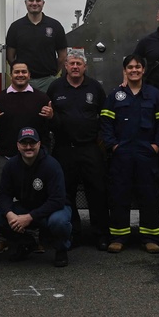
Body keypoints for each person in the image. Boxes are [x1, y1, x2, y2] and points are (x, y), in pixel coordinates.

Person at [100, 54, 159, 254]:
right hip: (122, 155)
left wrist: (156, 146)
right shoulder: (115, 95)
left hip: (146, 154)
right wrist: (113, 146)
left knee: (149, 195)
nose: (134, 70)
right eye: (130, 67)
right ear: (124, 71)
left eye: (137, 67)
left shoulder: (154, 95)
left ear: (143, 70)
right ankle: (119, 236)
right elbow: (106, 123)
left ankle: (149, 237)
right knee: (119, 195)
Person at [46, 49, 109, 251]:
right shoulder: (55, 87)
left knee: (97, 193)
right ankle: (73, 233)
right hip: (64, 149)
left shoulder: (95, 88)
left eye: (78, 64)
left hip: (90, 148)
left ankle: (100, 235)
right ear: (65, 66)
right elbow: (50, 117)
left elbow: (105, 117)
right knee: (66, 194)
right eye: (71, 63)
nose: (75, 67)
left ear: (85, 67)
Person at [0, 60, 51, 253]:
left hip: (35, 161)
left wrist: (51, 117)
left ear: (29, 75)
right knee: (3, 198)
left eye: (24, 72)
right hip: (6, 157)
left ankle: (37, 238)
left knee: (37, 199)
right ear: (11, 75)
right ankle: (3, 238)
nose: (20, 75)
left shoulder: (41, 98)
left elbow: (48, 130)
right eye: (16, 72)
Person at [0, 128, 72, 267]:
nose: (28, 147)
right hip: (26, 207)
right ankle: (26, 243)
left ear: (39, 144)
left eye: (32, 143)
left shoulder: (51, 165)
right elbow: (3, 195)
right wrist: (10, 215)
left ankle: (61, 249)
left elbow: (57, 200)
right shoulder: (11, 166)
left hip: (52, 210)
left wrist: (29, 217)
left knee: (59, 222)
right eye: (24, 143)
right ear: (17, 145)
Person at [5, 0, 67, 93]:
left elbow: (63, 56)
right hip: (24, 82)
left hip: (49, 81)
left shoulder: (55, 26)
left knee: (48, 109)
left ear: (43, 3)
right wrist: (22, 73)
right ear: (25, 3)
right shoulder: (16, 27)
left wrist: (53, 74)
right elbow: (10, 57)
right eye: (31, 0)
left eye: (38, 1)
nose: (34, 3)